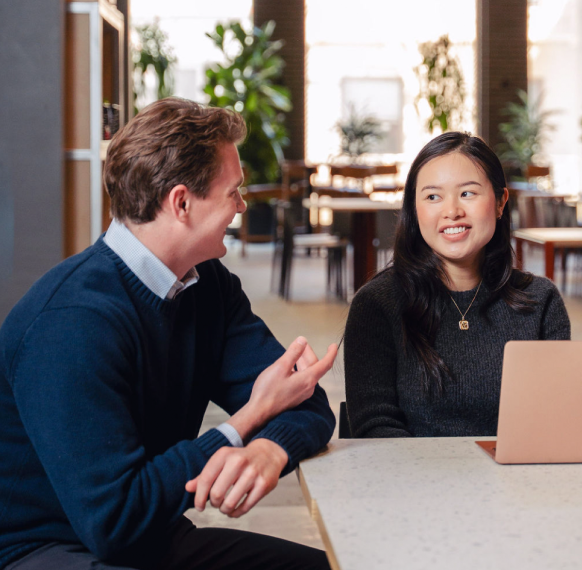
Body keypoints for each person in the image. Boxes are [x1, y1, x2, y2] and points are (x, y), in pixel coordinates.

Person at [0, 98, 337, 569]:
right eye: (233, 193)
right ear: (181, 202)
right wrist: (246, 422)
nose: (242, 207)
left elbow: (306, 402)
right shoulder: (69, 322)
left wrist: (268, 447)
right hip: (45, 549)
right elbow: (114, 521)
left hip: (148, 534)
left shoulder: (207, 284)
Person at [343, 132, 570, 438]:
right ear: (414, 208)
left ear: (501, 202)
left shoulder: (540, 301)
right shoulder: (377, 304)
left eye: (467, 193)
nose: (452, 211)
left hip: (515, 482)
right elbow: (374, 428)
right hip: (412, 482)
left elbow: (557, 418)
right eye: (433, 196)